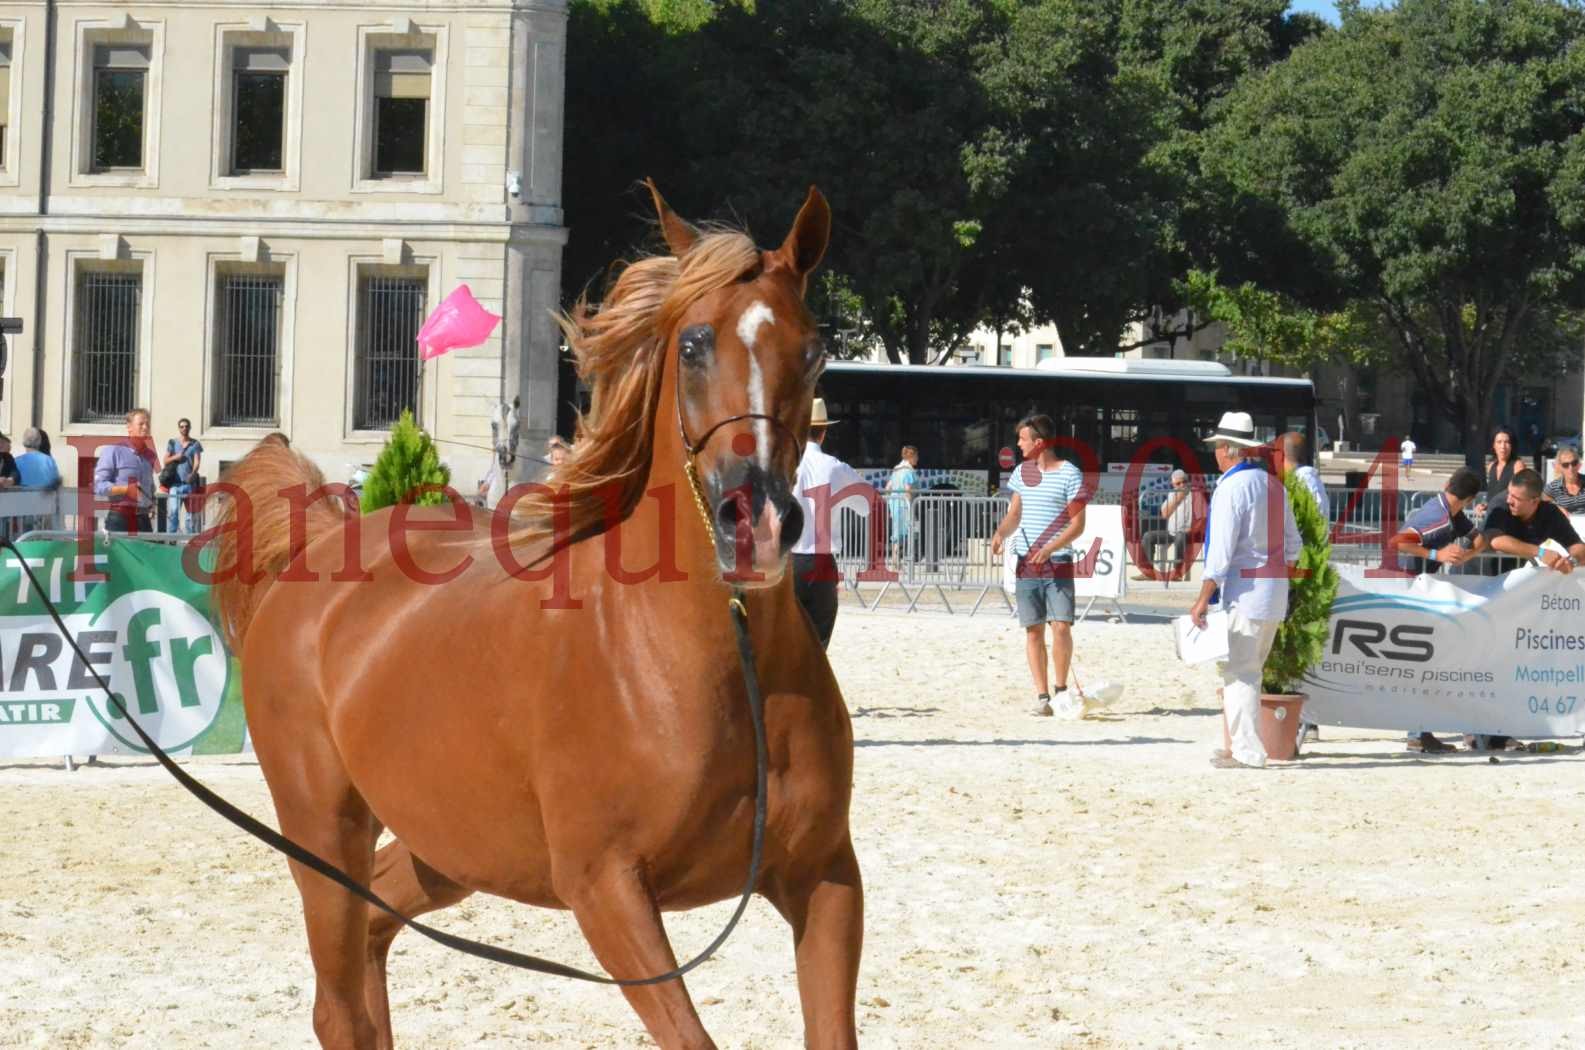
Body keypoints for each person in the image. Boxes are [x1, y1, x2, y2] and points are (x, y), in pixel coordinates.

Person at [1188, 411, 1300, 769]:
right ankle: (1241, 744)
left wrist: (1202, 598)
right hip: (1273, 591)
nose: (1215, 454)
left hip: (1246, 592)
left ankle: (1247, 750)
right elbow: (1294, 546)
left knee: (1241, 672)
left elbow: (1219, 554)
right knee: (1249, 669)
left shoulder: (1231, 488)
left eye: (1218, 447)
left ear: (1227, 449)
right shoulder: (1274, 485)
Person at [990, 413, 1087, 718]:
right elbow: (1015, 513)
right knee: (1033, 630)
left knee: (1060, 627)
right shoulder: (1022, 472)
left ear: (1039, 442)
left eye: (1022, 439)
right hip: (1026, 562)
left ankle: (1060, 691)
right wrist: (1000, 533)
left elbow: (1078, 524)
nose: (1018, 444)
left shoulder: (1070, 474)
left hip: (1057, 562)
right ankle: (1042, 696)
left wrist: (1050, 548)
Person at [1390, 467, 1487, 754]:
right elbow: (1398, 541)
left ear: (1447, 484)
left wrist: (1465, 554)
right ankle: (1417, 733)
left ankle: (1420, 731)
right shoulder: (1439, 517)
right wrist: (1438, 554)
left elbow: (1479, 538)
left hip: (1420, 592)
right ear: (1470, 499)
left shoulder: (1451, 513)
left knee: (1426, 664)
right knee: (1422, 665)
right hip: (1410, 594)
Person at [791, 398, 871, 650]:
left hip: (784, 561)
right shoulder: (835, 467)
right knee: (818, 645)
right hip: (821, 562)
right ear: (823, 432)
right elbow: (868, 506)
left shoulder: (782, 464)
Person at [1483, 469, 1585, 572]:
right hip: (1481, 574)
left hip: (1515, 579)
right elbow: (1495, 540)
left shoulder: (1550, 514)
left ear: (1535, 501)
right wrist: (1540, 552)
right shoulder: (1500, 504)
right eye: (1508, 493)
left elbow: (1578, 546)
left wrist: (1571, 562)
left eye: (1516, 498)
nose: (1509, 500)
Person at [93, 408, 158, 533]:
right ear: (129, 427)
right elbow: (98, 486)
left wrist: (152, 502)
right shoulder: (113, 451)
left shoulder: (150, 455)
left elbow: (150, 486)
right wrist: (126, 489)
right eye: (141, 424)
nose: (145, 427)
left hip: (144, 520)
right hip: (120, 518)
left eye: (148, 424)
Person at [1137, 469, 1194, 581]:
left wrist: (1193, 530)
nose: (1182, 485)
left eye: (1184, 482)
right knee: (1148, 536)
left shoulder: (1194, 494)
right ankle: (1149, 572)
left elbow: (1202, 516)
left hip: (1187, 532)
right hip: (1171, 532)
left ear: (1188, 482)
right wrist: (1178, 498)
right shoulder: (1172, 494)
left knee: (1180, 536)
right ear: (1173, 485)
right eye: (1178, 483)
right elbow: (1164, 514)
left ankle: (1177, 573)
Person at [160, 418, 203, 533]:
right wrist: (176, 457)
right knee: (174, 511)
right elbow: (165, 460)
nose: (184, 428)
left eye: (186, 426)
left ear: (190, 427)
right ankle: (172, 538)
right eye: (182, 426)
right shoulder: (173, 443)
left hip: (189, 484)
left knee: (190, 514)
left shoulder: (195, 444)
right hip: (174, 484)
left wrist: (193, 474)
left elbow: (197, 461)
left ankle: (188, 539)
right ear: (179, 428)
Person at [885, 445, 918, 568]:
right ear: (911, 456)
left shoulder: (897, 469)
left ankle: (895, 560)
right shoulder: (909, 471)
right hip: (905, 505)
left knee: (897, 533)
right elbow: (908, 490)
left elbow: (888, 487)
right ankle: (903, 561)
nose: (917, 459)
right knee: (908, 532)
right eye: (916, 456)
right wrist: (911, 506)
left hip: (894, 504)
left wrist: (891, 502)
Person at [1478, 427, 1520, 514]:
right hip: (1492, 514)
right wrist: (1485, 505)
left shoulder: (1517, 465)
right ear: (1493, 445)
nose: (1503, 446)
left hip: (1509, 516)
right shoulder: (1491, 466)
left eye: (1507, 442)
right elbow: (1493, 493)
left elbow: (1519, 495)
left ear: (1512, 445)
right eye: (1499, 442)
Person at [1543, 445, 1585, 513]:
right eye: (1565, 465)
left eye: (1574, 463)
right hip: (1563, 522)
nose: (1570, 468)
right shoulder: (1553, 487)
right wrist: (1557, 509)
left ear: (1578, 464)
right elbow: (1541, 505)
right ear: (1560, 467)